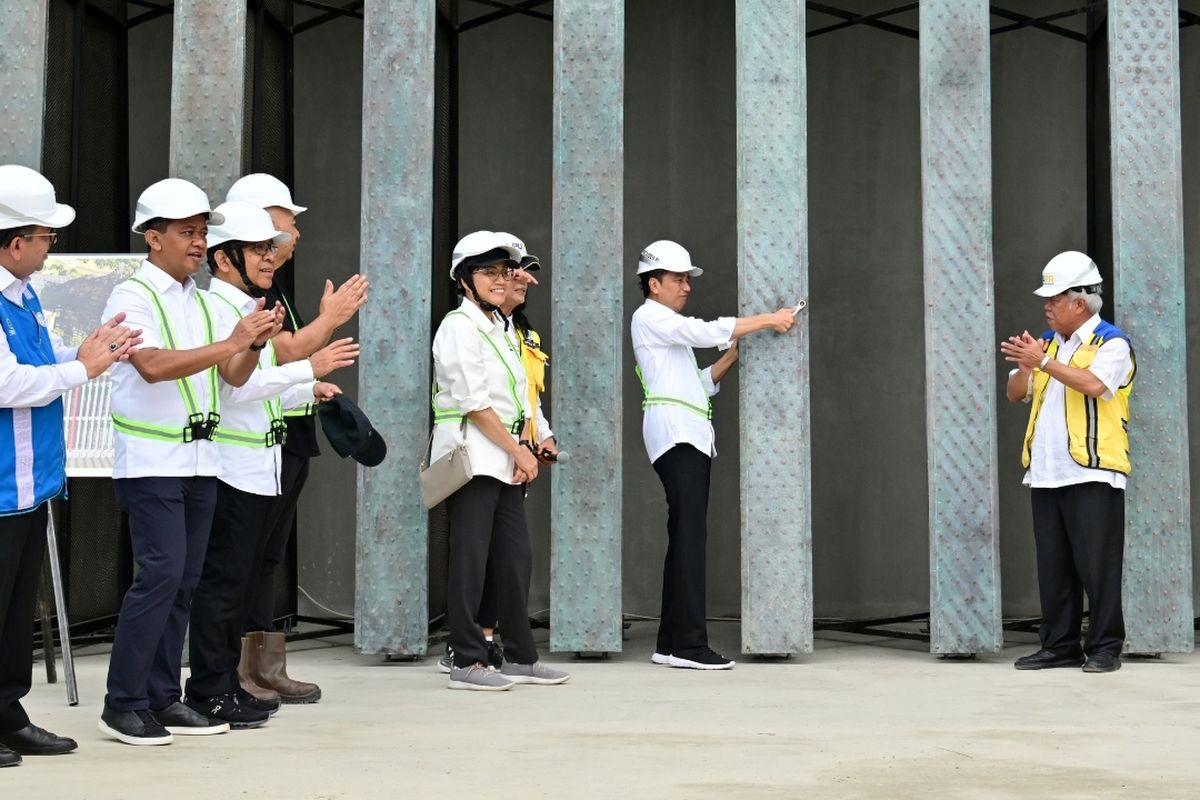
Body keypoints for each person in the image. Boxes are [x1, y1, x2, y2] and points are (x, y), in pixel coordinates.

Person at [99, 179, 280, 746]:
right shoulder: (132, 296)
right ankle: (123, 701)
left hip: (201, 461)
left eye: (202, 232)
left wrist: (249, 343)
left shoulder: (199, 300)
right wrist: (234, 343)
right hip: (151, 459)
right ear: (153, 239)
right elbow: (151, 365)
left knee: (183, 581)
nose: (199, 243)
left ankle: (161, 698)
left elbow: (231, 377)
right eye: (186, 233)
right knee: (159, 577)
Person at [184, 201, 353, 728]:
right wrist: (306, 367)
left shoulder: (249, 304)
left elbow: (255, 387)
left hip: (259, 462)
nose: (269, 256)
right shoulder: (218, 309)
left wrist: (306, 380)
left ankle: (225, 684)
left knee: (239, 583)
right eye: (257, 248)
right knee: (222, 584)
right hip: (231, 464)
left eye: (269, 246)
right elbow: (234, 390)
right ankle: (209, 689)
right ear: (224, 258)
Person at [0, 165, 138, 767]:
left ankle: (7, 714)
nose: (50, 246)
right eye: (45, 236)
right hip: (2, 486)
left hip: (27, 484)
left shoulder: (21, 295)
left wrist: (83, 351)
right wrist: (85, 369)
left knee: (12, 612)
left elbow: (37, 359)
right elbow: (7, 383)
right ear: (12, 241)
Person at [225, 173, 368, 705]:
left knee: (267, 557)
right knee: (243, 557)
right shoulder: (239, 289)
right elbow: (285, 353)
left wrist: (313, 376)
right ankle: (235, 670)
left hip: (287, 429)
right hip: (256, 439)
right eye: (284, 226)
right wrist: (330, 322)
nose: (293, 237)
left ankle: (265, 666)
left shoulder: (269, 283)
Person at [632, 240, 796, 670]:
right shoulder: (652, 316)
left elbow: (696, 384)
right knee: (689, 539)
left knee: (685, 537)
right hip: (676, 437)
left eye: (688, 279)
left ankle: (670, 644)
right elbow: (701, 330)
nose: (686, 286)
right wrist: (769, 320)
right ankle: (688, 646)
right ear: (654, 283)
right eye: (678, 279)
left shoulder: (664, 326)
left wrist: (729, 358)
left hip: (686, 434)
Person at [431, 230, 569, 691]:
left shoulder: (502, 329)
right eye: (486, 271)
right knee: (470, 558)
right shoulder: (458, 326)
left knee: (514, 558)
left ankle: (520, 657)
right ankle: (467, 659)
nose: (498, 279)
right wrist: (520, 451)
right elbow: (473, 402)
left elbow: (521, 398)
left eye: (500, 271)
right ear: (464, 279)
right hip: (474, 456)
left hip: (507, 458)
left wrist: (533, 443)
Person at [1000, 251, 1134, 674]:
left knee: (1098, 567)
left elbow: (1095, 385)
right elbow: (1016, 394)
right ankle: (1058, 645)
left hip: (1093, 472)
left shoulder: (1111, 343)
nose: (1047, 306)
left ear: (1080, 301)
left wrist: (1042, 362)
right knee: (1054, 567)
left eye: (1054, 298)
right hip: (1047, 473)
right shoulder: (1047, 345)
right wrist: (1026, 366)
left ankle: (1104, 648)